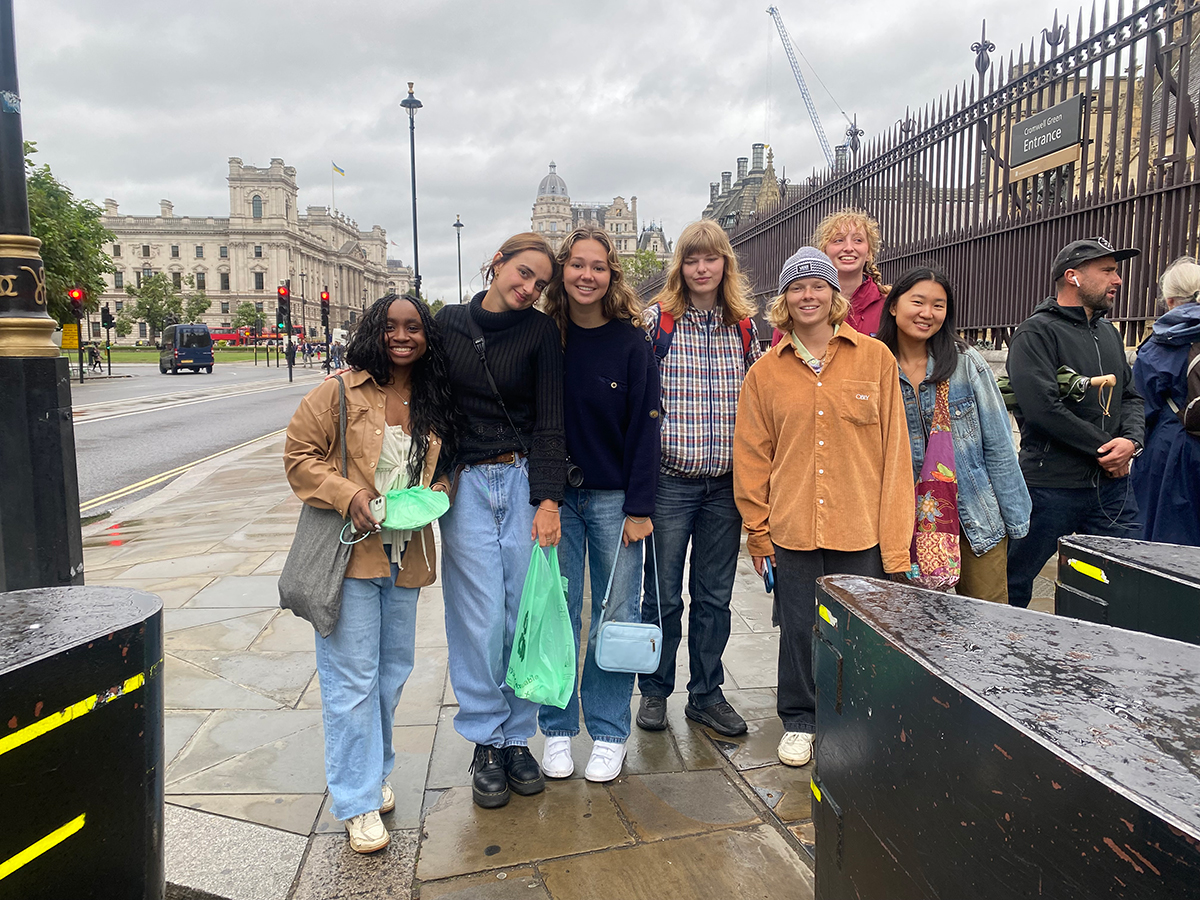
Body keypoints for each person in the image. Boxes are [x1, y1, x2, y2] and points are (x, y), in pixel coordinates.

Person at [283, 292, 456, 853]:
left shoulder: (431, 397)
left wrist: (439, 490)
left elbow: (442, 464)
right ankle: (356, 801)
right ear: (373, 332)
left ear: (426, 335)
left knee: (390, 675)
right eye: (390, 327)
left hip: (406, 555)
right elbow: (299, 455)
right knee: (351, 680)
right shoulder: (339, 390)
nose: (402, 336)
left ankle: (374, 771)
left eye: (413, 327)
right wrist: (347, 492)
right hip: (351, 556)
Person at [734, 247, 913, 767]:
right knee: (798, 628)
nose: (807, 295)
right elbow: (751, 456)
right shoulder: (765, 374)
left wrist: (896, 543)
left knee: (858, 631)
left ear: (835, 295)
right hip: (793, 527)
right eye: (796, 287)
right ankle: (800, 719)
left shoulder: (875, 359)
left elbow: (895, 453)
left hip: (860, 527)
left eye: (818, 285)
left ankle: (856, 717)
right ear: (783, 302)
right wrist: (758, 530)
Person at [435, 233, 565, 809]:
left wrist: (548, 500)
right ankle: (485, 737)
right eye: (522, 273)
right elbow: (428, 404)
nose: (529, 288)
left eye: (540, 283)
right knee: (478, 616)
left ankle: (518, 737)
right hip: (465, 483)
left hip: (520, 480)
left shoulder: (540, 333)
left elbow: (549, 421)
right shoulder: (446, 324)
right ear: (497, 263)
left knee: (524, 612)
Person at [537, 227, 661, 782]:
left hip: (615, 501)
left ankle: (610, 731)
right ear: (563, 271)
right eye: (578, 265)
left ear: (612, 276)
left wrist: (640, 506)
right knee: (557, 613)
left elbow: (645, 429)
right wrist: (544, 498)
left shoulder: (631, 342)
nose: (588, 275)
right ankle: (558, 728)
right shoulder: (546, 337)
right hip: (558, 499)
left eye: (599, 267)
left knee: (616, 616)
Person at [636, 218, 762, 738]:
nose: (702, 268)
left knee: (715, 596)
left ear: (725, 264)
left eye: (711, 259)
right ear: (680, 266)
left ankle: (706, 694)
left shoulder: (746, 327)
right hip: (670, 482)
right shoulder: (656, 323)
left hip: (725, 488)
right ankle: (654, 691)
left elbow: (762, 404)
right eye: (691, 259)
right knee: (662, 595)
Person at [876, 265, 1031, 602]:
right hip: (902, 527)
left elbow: (999, 446)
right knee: (916, 630)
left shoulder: (966, 363)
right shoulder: (873, 365)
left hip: (973, 521)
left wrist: (1016, 520)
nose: (927, 313)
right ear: (893, 305)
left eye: (939, 305)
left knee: (984, 628)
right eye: (917, 302)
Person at [1006, 238, 1145, 608]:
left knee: (1123, 582)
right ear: (1073, 277)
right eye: (1107, 270)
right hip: (1050, 485)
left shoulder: (1109, 333)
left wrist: (1131, 442)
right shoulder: (1036, 332)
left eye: (1116, 271)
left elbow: (1131, 397)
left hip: (1112, 489)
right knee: (1014, 581)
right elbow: (1042, 408)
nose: (1117, 279)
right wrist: (1106, 448)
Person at [1131, 256, 1200, 545]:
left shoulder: (1161, 342)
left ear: (1170, 300)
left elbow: (1141, 405)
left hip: (1173, 445)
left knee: (1165, 535)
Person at [771, 208, 890, 345]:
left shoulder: (888, 306)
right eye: (838, 240)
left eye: (858, 240)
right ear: (824, 252)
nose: (848, 248)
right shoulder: (803, 307)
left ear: (869, 253)